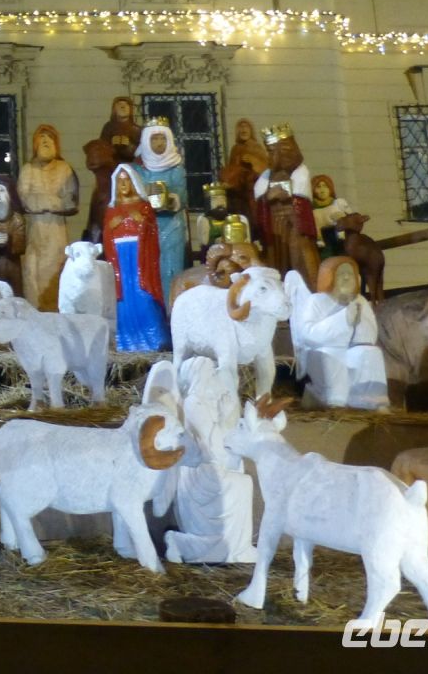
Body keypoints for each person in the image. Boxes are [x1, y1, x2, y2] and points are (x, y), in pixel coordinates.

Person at [164, 356, 258, 565]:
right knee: (243, 484)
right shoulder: (194, 403)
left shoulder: (206, 402)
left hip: (211, 468)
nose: (214, 377)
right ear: (199, 376)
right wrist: (225, 418)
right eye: (210, 372)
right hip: (200, 474)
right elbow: (213, 448)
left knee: (242, 482)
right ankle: (233, 547)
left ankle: (234, 547)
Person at [289, 256, 388, 409]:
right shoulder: (316, 301)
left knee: (370, 352)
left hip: (352, 350)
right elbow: (308, 334)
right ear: (329, 276)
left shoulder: (360, 300)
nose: (347, 277)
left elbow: (371, 336)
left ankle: (372, 400)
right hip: (322, 352)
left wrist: (357, 322)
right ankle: (336, 402)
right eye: (341, 273)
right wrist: (343, 319)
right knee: (333, 352)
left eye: (350, 273)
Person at [102, 164, 167, 352]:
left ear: (133, 182)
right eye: (120, 181)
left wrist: (141, 221)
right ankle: (125, 340)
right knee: (123, 298)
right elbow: (107, 233)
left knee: (143, 294)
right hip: (120, 259)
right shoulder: (112, 209)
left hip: (140, 256)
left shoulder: (144, 206)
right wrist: (111, 227)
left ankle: (154, 339)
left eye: (127, 180)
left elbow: (152, 230)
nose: (123, 184)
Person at [16, 124, 79, 311]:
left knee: (56, 271)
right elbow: (24, 199)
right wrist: (51, 201)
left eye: (49, 138)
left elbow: (70, 201)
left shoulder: (64, 169)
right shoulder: (28, 170)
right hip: (35, 232)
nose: (45, 141)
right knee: (32, 274)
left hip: (56, 231)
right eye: (41, 138)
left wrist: (44, 201)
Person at [253, 125, 320, 288]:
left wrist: (281, 194)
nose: (268, 156)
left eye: (271, 151)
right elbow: (261, 196)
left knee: (300, 259)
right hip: (275, 226)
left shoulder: (300, 171)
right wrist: (270, 195)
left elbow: (299, 196)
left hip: (295, 224)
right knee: (276, 262)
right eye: (268, 151)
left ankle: (308, 291)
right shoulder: (267, 175)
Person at [138, 119, 189, 301]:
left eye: (162, 139)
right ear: (146, 142)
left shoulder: (176, 168)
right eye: (154, 139)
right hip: (148, 226)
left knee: (171, 268)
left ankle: (172, 309)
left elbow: (181, 195)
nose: (159, 143)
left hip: (172, 225)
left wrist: (170, 199)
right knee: (149, 269)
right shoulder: (139, 170)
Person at [221, 118, 269, 224]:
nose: (243, 129)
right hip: (237, 191)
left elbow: (264, 167)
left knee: (252, 217)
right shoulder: (235, 149)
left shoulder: (256, 147)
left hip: (250, 189)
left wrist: (253, 160)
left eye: (246, 127)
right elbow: (232, 167)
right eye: (241, 127)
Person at [311, 174, 354, 257]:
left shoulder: (337, 203)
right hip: (323, 248)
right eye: (318, 187)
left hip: (339, 242)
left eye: (325, 186)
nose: (322, 190)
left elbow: (348, 214)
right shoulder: (312, 208)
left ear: (330, 188)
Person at [99, 97, 142, 167]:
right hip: (112, 164)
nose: (123, 107)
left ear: (130, 109)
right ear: (114, 109)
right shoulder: (108, 127)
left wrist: (129, 146)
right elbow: (101, 148)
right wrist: (111, 145)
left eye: (126, 105)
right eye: (119, 105)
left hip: (130, 164)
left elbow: (141, 152)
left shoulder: (136, 129)